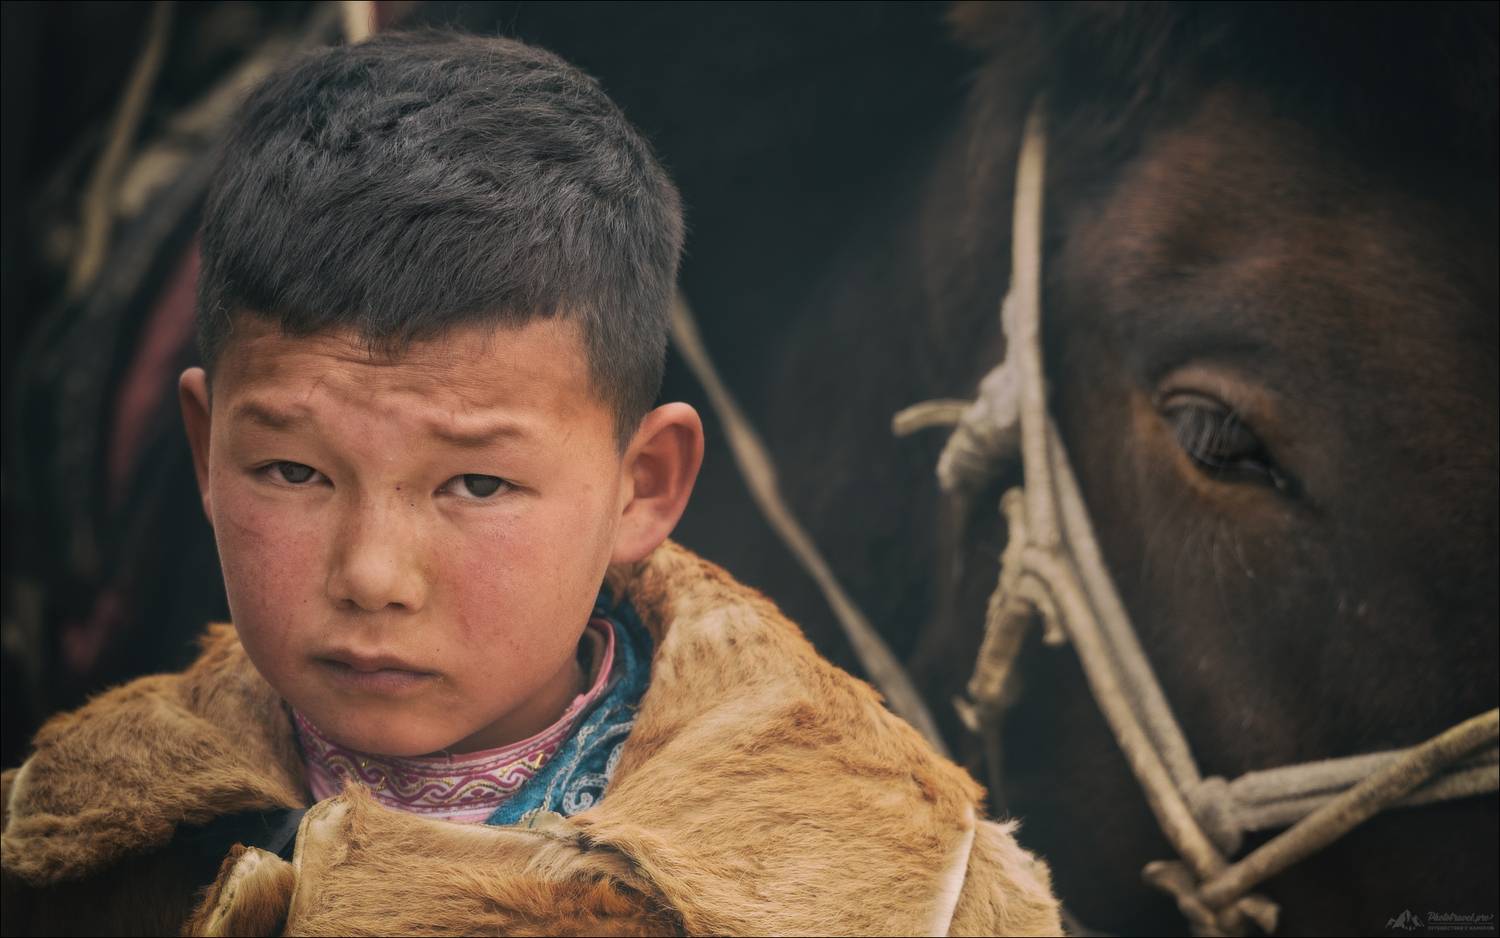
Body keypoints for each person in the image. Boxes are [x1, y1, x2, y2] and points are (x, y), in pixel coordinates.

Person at [1, 31, 1059, 936]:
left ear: (644, 484)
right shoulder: (63, 843)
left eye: (475, 484)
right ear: (203, 446)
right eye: (293, 469)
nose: (372, 574)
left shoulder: (907, 890)